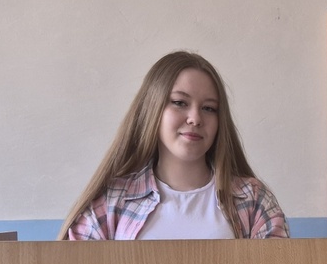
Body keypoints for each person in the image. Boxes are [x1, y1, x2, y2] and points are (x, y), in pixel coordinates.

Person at [60, 51, 289, 240]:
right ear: (152, 109)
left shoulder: (254, 200)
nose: (195, 118)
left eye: (209, 108)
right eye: (180, 103)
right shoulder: (110, 202)